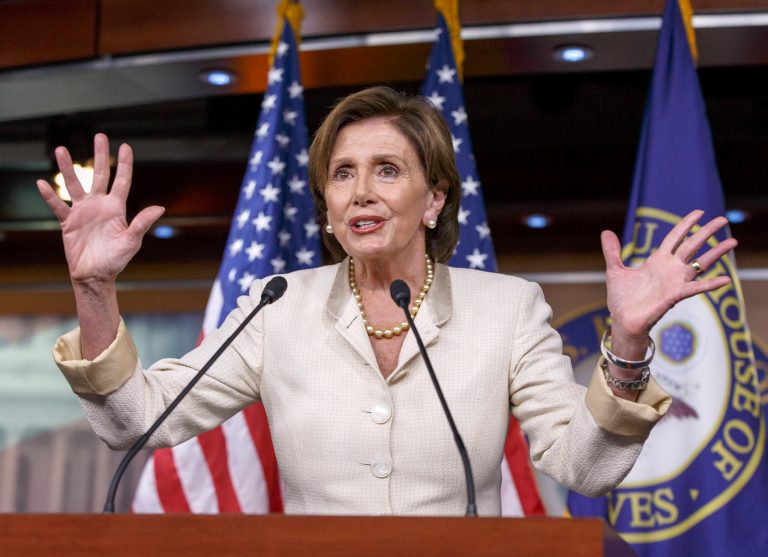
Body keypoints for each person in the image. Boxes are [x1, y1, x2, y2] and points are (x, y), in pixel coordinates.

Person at [38, 87, 736, 516]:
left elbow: (582, 467)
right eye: (342, 174)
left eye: (386, 170)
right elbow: (137, 422)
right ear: (327, 205)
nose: (360, 191)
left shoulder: (508, 309)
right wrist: (94, 288)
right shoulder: (277, 306)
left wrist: (631, 345)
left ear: (434, 199)